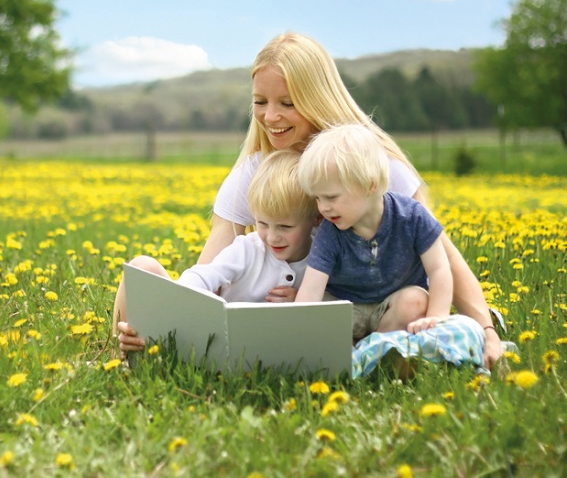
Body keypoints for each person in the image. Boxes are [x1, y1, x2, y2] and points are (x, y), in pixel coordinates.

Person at [193, 32, 503, 369]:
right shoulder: (255, 170)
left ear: (317, 99)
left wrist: (487, 330)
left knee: (414, 305)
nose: (269, 117)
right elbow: (212, 262)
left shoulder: (369, 166)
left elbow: (445, 256)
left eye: (288, 103)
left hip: (389, 308)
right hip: (315, 309)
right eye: (260, 101)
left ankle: (379, 355)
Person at [114, 150, 320, 354]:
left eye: (285, 227)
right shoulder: (248, 249)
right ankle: (119, 354)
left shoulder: (319, 262)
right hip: (210, 342)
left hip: (264, 354)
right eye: (262, 223)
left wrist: (300, 300)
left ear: (316, 220)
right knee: (142, 266)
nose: (272, 237)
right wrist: (182, 303)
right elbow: (205, 275)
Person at [294, 124, 452, 342]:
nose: (323, 208)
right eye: (317, 198)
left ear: (370, 185)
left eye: (331, 197)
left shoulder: (411, 216)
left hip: (391, 312)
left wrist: (436, 318)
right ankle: (353, 353)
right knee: (319, 311)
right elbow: (310, 293)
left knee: (415, 301)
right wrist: (298, 330)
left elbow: (439, 268)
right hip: (347, 310)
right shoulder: (331, 233)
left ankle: (377, 350)